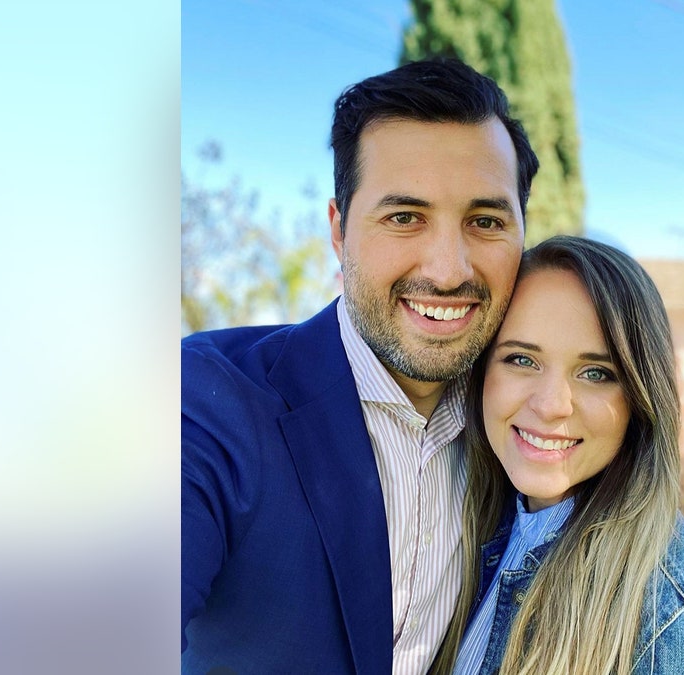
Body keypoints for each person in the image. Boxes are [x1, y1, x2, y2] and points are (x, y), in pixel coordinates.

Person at [181, 58, 539, 674]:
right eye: (405, 217)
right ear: (340, 232)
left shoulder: (530, 422)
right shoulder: (207, 399)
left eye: (485, 221)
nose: (448, 270)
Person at [431, 236, 684, 674]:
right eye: (521, 360)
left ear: (640, 399)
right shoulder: (468, 532)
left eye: (595, 373)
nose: (551, 405)